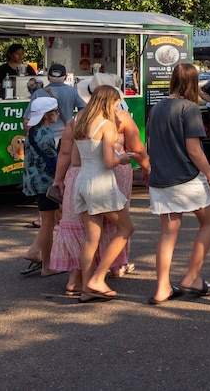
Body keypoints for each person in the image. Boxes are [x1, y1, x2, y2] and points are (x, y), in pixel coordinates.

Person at [146, 63, 210, 305]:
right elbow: (194, 150)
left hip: (160, 179)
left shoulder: (157, 108)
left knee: (168, 233)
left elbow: (150, 145)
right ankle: (192, 276)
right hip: (185, 178)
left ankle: (162, 288)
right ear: (193, 82)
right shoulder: (189, 109)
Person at [72, 86, 133, 303]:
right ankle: (98, 278)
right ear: (109, 101)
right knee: (126, 228)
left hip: (82, 182)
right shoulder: (106, 125)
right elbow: (109, 162)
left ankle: (86, 288)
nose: (117, 107)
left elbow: (75, 161)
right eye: (116, 103)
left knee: (91, 239)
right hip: (101, 183)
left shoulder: (80, 123)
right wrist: (123, 158)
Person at [19, 97, 61, 277]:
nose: (58, 114)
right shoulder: (47, 136)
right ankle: (46, 266)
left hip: (34, 182)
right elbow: (54, 163)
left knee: (52, 219)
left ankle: (34, 252)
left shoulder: (32, 132)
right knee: (48, 224)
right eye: (56, 111)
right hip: (46, 184)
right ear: (47, 115)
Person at [28, 64, 86, 144]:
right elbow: (84, 110)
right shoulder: (73, 92)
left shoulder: (38, 93)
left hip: (43, 138)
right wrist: (74, 122)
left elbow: (27, 120)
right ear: (65, 77)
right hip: (66, 137)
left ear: (48, 77)